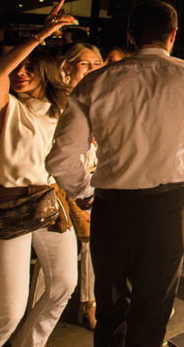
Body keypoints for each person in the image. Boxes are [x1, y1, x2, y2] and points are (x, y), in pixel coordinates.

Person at [47, 0, 184, 346]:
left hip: (111, 207)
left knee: (110, 309)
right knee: (153, 310)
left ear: (131, 36)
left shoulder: (95, 82)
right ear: (173, 35)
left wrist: (84, 191)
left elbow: (61, 158)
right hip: (166, 207)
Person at [0, 2, 78, 347]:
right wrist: (42, 34)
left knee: (63, 286)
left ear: (46, 70)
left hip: (50, 204)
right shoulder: (2, 107)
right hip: (9, 208)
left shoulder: (59, 109)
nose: (21, 73)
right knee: (7, 314)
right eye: (19, 66)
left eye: (30, 68)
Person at [59, 42, 104, 330]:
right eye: (85, 64)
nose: (92, 70)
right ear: (67, 68)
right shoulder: (60, 100)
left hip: (94, 177)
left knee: (95, 239)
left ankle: (90, 301)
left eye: (97, 64)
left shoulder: (101, 97)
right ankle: (87, 304)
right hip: (62, 182)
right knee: (87, 237)